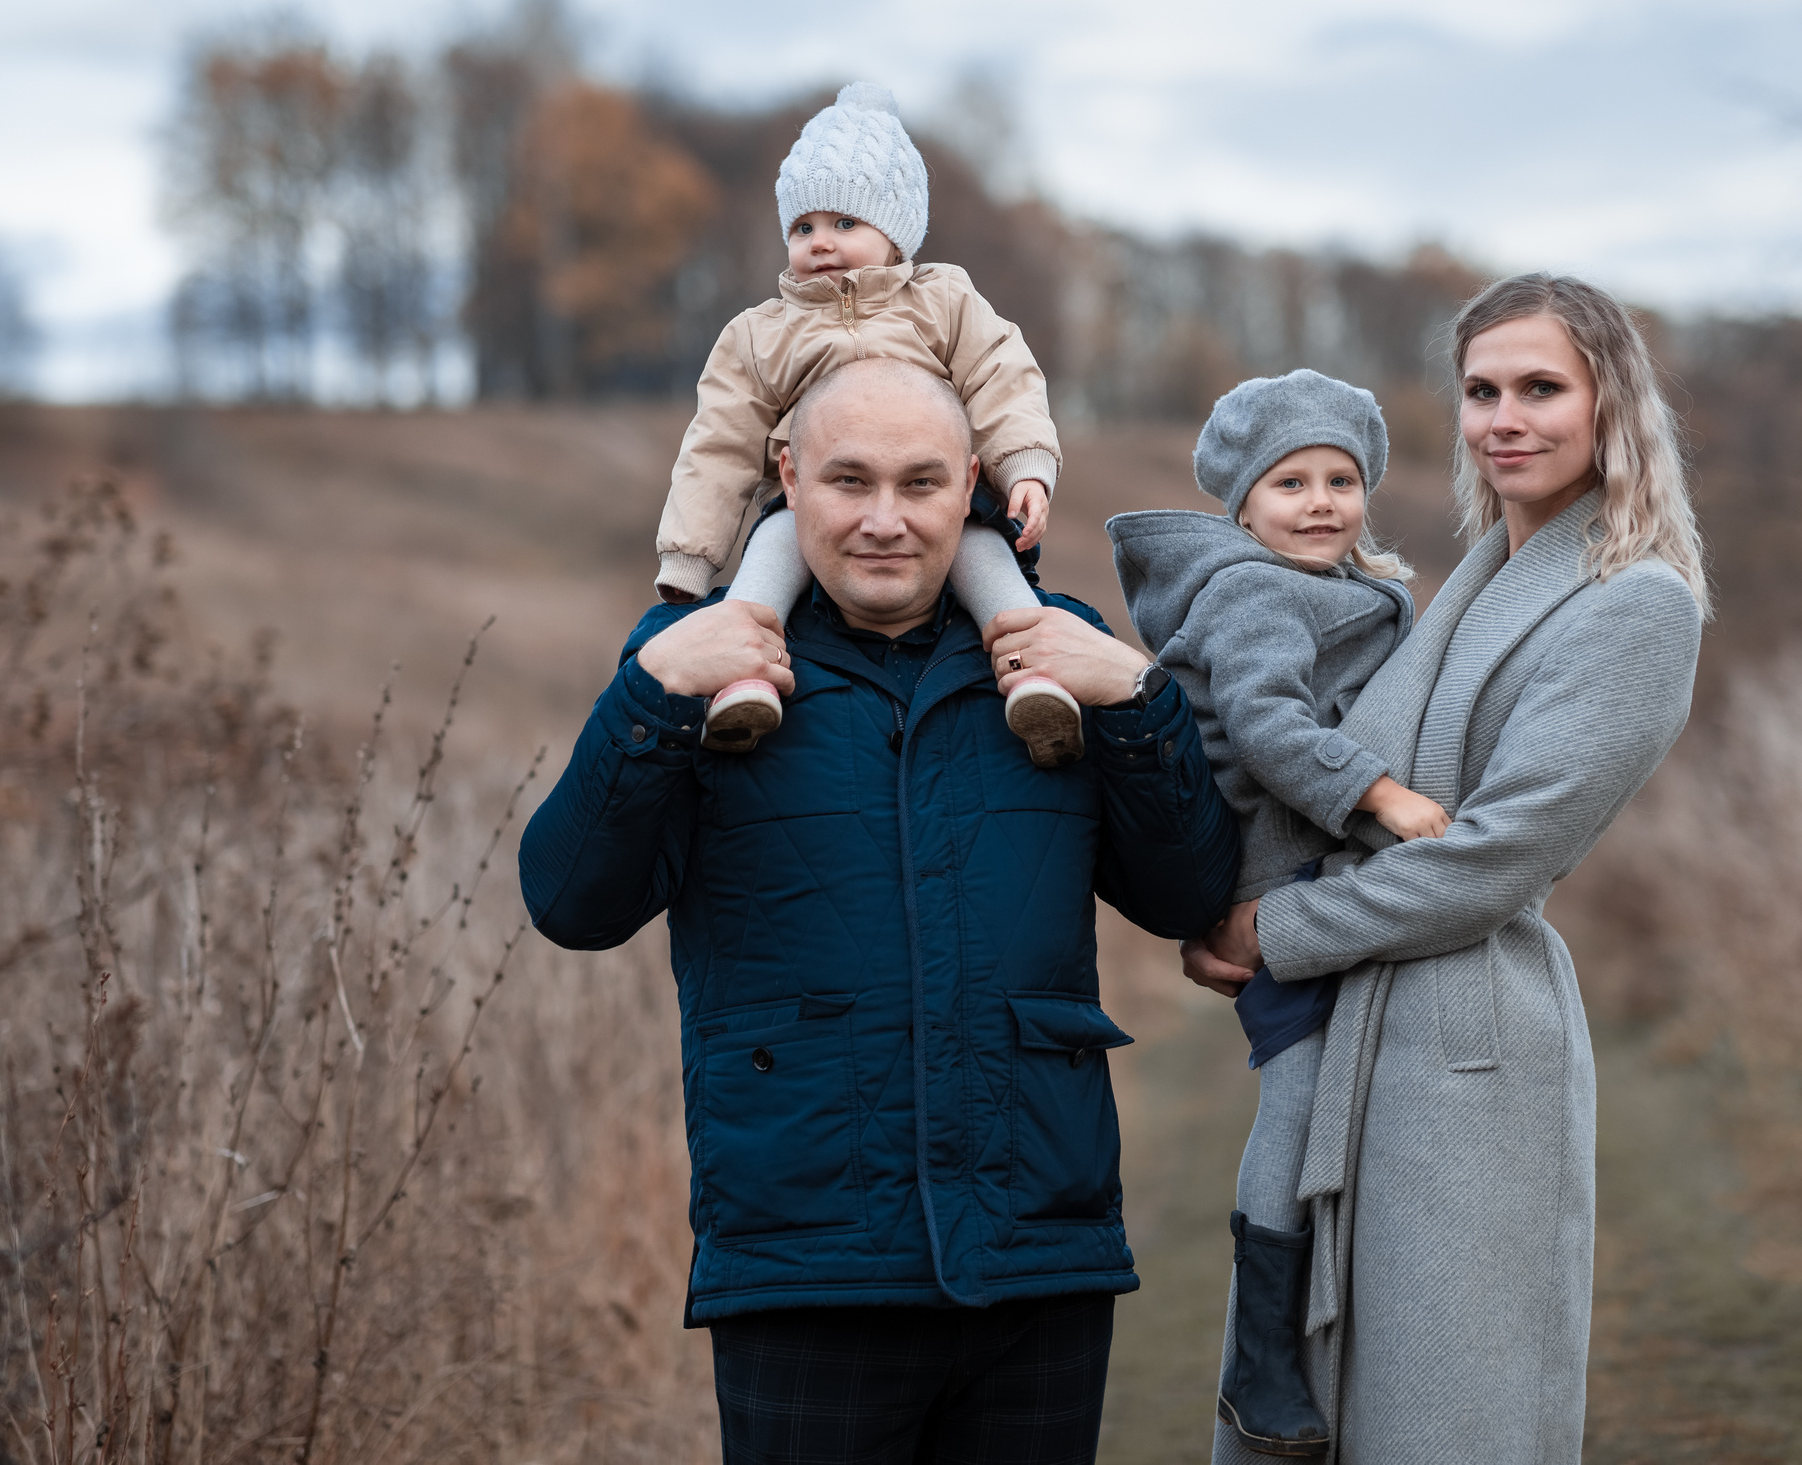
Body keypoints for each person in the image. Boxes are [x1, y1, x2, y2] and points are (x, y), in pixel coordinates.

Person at [521, 357, 1243, 1465]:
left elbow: (1186, 896)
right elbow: (571, 903)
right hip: (805, 1262)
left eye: (920, 483)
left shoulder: (1053, 653)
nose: (884, 520)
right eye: (849, 479)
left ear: (973, 487)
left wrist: (1140, 703)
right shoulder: (703, 668)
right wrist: (647, 694)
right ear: (787, 473)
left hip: (1035, 1254)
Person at [1184, 273, 1709, 1463]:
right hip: (1354, 1031)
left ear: (1609, 404)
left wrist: (1279, 930)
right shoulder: (1452, 580)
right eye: (1482, 390)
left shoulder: (1634, 604)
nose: (1504, 418)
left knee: (1445, 1419)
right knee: (1311, 1411)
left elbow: (1494, 859)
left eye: (1541, 388)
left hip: (1468, 1059)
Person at [1105, 369, 1448, 1458]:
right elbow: (1263, 724)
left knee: (1343, 1097)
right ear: (1240, 506)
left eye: (1340, 478)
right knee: (1297, 1103)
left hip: (1317, 870)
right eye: (1288, 480)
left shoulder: (1355, 586)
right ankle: (1259, 1360)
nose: (1318, 500)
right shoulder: (1253, 591)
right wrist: (1382, 795)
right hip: (1276, 881)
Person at [654, 82, 1082, 763]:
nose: (821, 242)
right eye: (804, 228)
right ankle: (743, 682)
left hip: (937, 499)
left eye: (845, 223)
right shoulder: (760, 334)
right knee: (766, 566)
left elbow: (1004, 377)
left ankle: (1035, 677)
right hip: (811, 506)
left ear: (895, 233)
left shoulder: (943, 300)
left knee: (988, 559)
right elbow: (719, 446)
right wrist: (689, 555)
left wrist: (1025, 463)